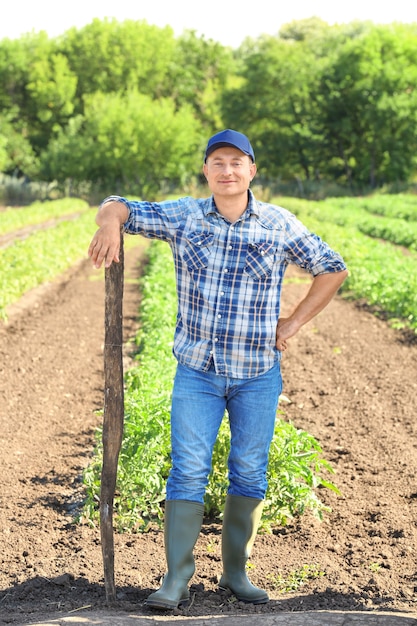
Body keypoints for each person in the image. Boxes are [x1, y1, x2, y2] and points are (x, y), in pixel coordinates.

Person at [88, 129, 348, 610]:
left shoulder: (278, 224)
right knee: (187, 470)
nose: (227, 171)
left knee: (250, 471)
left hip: (257, 374)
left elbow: (332, 267)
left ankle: (236, 573)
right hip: (198, 374)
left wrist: (292, 322)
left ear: (252, 170)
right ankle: (176, 580)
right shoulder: (186, 216)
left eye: (237, 162)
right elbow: (122, 204)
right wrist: (108, 220)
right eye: (217, 162)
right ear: (206, 171)